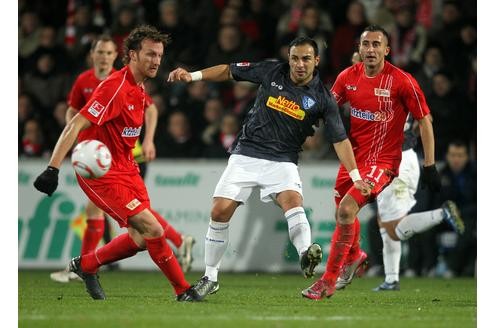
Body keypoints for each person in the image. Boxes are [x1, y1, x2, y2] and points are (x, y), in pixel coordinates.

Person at [167, 36, 371, 301]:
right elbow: (230, 70)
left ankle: (305, 253)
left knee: (293, 203)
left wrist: (356, 176)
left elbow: (340, 140)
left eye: (306, 59)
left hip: (283, 161)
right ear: (289, 59)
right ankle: (210, 278)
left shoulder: (322, 98)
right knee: (218, 211)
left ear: (316, 61)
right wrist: (192, 76)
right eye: (295, 58)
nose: (299, 64)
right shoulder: (272, 71)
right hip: (246, 153)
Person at [33, 25, 200, 302]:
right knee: (154, 229)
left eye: (159, 55)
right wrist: (53, 168)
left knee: (140, 238)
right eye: (150, 55)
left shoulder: (139, 85)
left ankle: (86, 265)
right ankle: (183, 290)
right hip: (101, 173)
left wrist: (148, 140)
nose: (156, 61)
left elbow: (148, 111)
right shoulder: (114, 87)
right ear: (132, 55)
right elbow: (75, 123)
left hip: (127, 167)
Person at [301, 25, 444, 300]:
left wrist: (430, 164)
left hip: (383, 162)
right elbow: (326, 109)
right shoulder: (348, 77)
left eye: (377, 44)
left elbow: (425, 120)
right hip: (353, 160)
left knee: (345, 211)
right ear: (359, 49)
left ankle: (328, 281)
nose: (370, 49)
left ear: (386, 50)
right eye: (366, 44)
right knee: (343, 214)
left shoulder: (402, 81)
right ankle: (355, 256)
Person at [336, 114, 465, 292]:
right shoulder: (408, 89)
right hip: (400, 157)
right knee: (384, 220)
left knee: (394, 229)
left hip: (395, 160)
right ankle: (391, 279)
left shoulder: (385, 91)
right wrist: (409, 133)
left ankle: (442, 213)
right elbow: (427, 119)